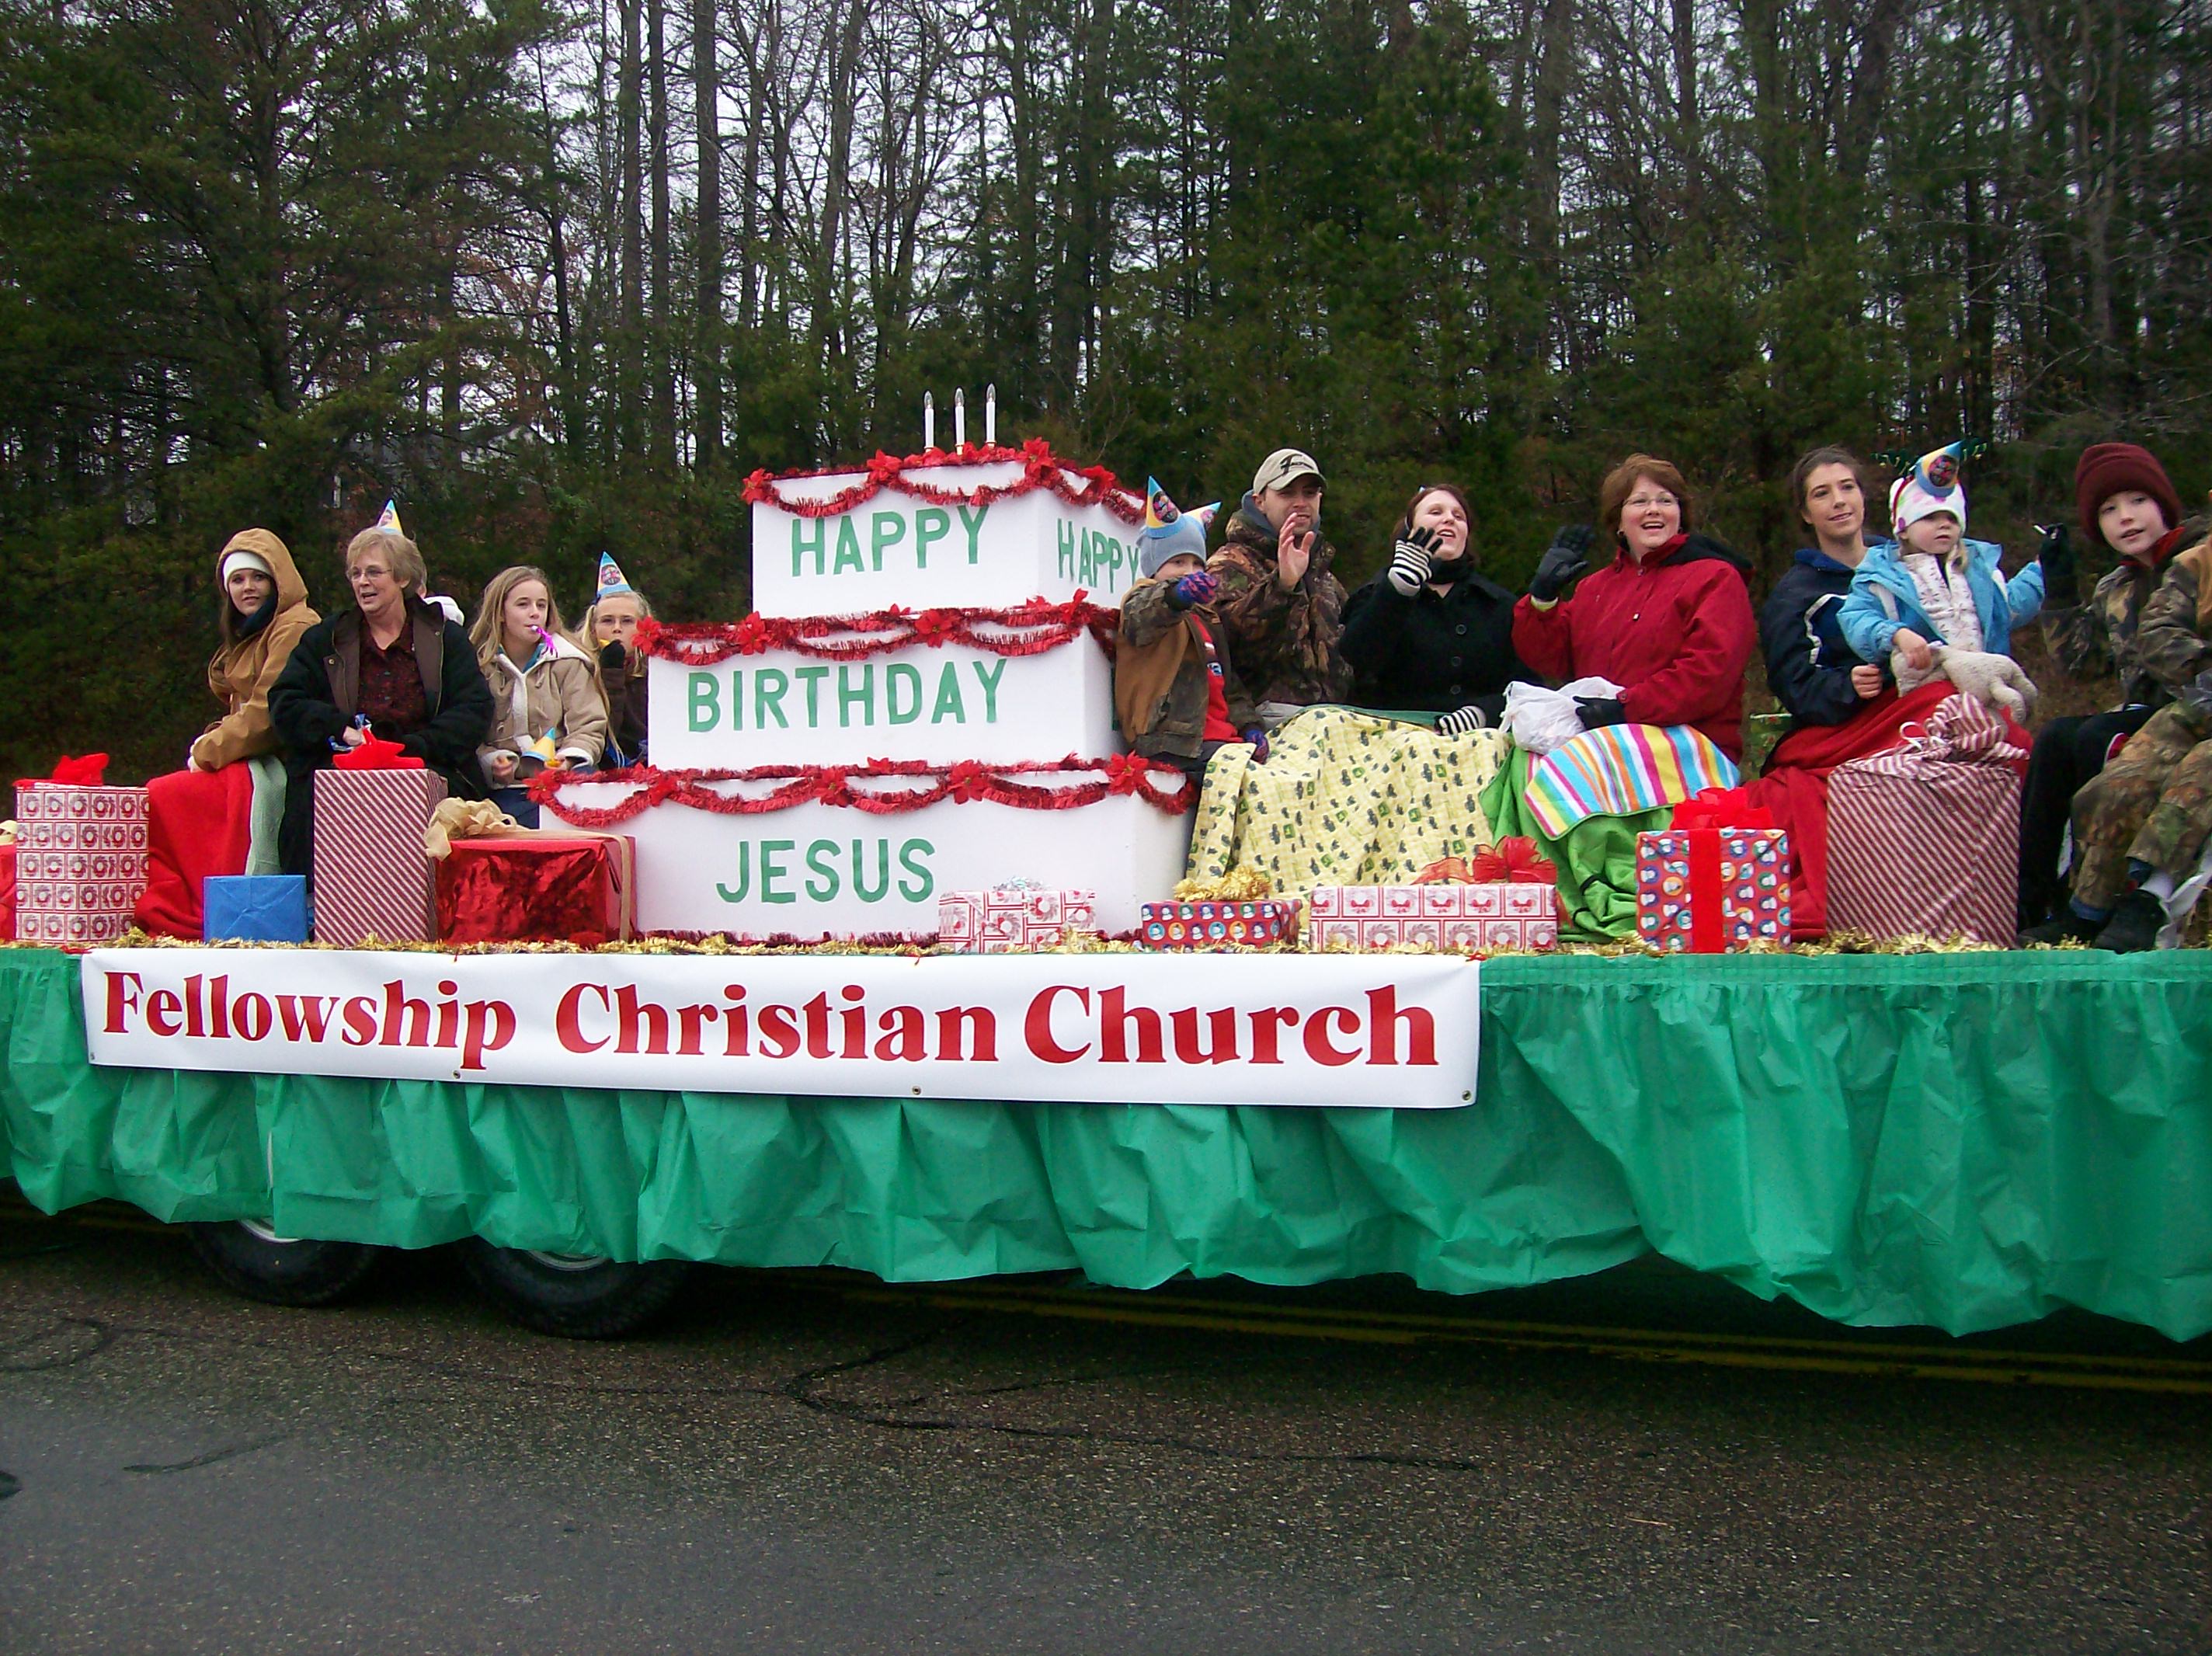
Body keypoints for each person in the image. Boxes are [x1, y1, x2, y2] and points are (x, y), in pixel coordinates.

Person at [2016, 443, 2193, 933]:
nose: (2126, 518)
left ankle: (2100, 892)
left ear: (2162, 504)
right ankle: (2031, 897)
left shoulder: (2199, 560)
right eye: (2109, 511)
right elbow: (2080, 663)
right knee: (2054, 739)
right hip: (2141, 711)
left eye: (2138, 501)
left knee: (2099, 736)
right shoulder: (2116, 587)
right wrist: (2061, 589)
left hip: (2191, 711)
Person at [267, 522, 495, 878]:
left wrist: (409, 749)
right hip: (339, 770)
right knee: (312, 797)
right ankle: (320, 906)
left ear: (403, 578)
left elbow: (473, 710)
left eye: (374, 572)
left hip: (426, 767)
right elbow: (285, 702)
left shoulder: (446, 639)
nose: (362, 582)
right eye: (356, 574)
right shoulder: (325, 639)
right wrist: (341, 731)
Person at [132, 529, 321, 938]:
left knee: (165, 794)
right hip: (246, 754)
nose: (248, 588)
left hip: (280, 759)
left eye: (258, 577)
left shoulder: (295, 625)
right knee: (165, 795)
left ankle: (202, 905)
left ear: (277, 580)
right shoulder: (250, 631)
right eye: (237, 580)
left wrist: (208, 750)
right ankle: (183, 900)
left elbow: (267, 713)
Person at [1511, 453, 1757, 760]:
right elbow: (1551, 661)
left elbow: (1709, 673)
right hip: (1602, 749)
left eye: (1666, 501)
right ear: (1619, 521)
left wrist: (1627, 706)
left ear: (1681, 515)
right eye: (1639, 501)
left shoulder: (1715, 577)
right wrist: (1542, 601)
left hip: (1687, 750)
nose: (1653, 510)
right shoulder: (1593, 588)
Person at [2036, 531, 2212, 950]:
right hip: (2201, 697)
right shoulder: (2198, 564)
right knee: (2125, 778)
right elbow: (2156, 630)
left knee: (2197, 774)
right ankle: (2086, 909)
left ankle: (2150, 899)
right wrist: (2201, 662)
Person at [1838, 444, 2046, 715]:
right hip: (1928, 697)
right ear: (1903, 529)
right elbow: (1856, 617)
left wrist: (2042, 571)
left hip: (1987, 690)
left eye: (1951, 517)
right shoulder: (1882, 576)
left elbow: (2009, 607)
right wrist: (1897, 635)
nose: (1943, 524)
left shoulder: (1979, 570)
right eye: (1930, 517)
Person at [1341, 483, 1529, 732]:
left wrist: (1485, 713)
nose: (1449, 519)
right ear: (1410, 528)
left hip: (1481, 741)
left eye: (1458, 516)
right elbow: (1357, 659)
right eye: (1435, 512)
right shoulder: (1376, 594)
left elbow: (1527, 686)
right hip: (1393, 740)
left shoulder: (1499, 604)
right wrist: (1398, 591)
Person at [1115, 481, 1264, 787]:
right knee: (1258, 783)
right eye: (1177, 562)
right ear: (1154, 567)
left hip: (1220, 741)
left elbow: (1229, 685)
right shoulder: (1143, 598)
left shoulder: (1207, 618)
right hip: (1171, 743)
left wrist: (1250, 725)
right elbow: (1143, 618)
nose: (1189, 571)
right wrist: (1177, 596)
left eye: (1197, 563)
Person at [1206, 447, 1352, 717]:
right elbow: (1224, 649)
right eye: (1287, 493)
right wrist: (1282, 587)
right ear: (1259, 501)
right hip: (1260, 724)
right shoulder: (1228, 563)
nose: (1300, 502)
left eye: (1309, 493)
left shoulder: (1324, 575)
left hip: (1334, 721)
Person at [471, 565, 608, 826]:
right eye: (523, 604)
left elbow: (589, 724)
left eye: (541, 605)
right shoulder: (479, 665)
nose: (535, 613)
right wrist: (492, 762)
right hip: (508, 787)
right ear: (500, 612)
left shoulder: (568, 661)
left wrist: (568, 759)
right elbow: (468, 731)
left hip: (567, 781)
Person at [1759, 448, 1887, 726]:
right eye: (1822, 493)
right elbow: (1794, 686)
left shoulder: (1905, 567)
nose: (1839, 501)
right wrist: (1847, 685)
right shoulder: (1794, 596)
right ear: (1806, 513)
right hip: (1852, 729)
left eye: (1847, 487)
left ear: (1863, 496)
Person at [575, 553, 652, 768]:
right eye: (607, 621)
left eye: (627, 621)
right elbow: (607, 732)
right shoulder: (579, 670)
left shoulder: (657, 669)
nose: (617, 628)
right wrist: (611, 672)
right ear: (593, 628)